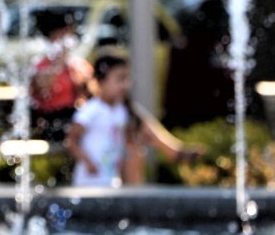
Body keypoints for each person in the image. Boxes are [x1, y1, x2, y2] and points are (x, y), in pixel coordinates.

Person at [65, 51, 194, 188]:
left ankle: (169, 153)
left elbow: (140, 133)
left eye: (127, 79)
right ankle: (172, 151)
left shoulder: (121, 110)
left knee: (136, 144)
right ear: (100, 81)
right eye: (119, 79)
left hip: (112, 181)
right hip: (89, 182)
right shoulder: (90, 111)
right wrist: (87, 161)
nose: (125, 85)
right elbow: (71, 141)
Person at [29, 10, 91, 144]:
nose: (68, 38)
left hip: (72, 118)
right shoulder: (39, 65)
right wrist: (59, 60)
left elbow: (88, 93)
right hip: (50, 122)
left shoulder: (76, 64)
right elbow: (44, 90)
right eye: (63, 33)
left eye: (69, 33)